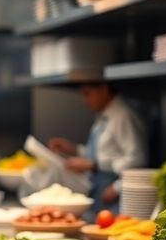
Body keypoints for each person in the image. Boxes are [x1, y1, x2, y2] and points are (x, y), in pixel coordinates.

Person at [48, 82, 146, 214]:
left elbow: (138, 159)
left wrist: (117, 188)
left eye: (87, 94)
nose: (84, 101)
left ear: (103, 90)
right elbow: (105, 154)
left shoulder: (122, 116)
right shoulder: (103, 116)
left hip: (115, 199)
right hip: (98, 194)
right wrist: (74, 150)